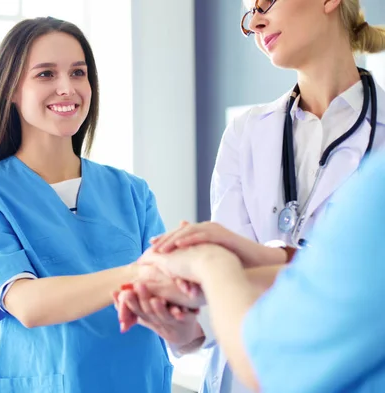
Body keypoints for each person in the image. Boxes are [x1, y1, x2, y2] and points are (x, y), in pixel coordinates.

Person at [116, 1, 385, 392]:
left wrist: (209, 264)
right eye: (248, 13)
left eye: (265, 3)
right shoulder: (245, 134)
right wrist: (182, 326)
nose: (255, 22)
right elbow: (224, 286)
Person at [0, 16, 176, 393]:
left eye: (78, 73)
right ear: (12, 90)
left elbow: (168, 295)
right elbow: (29, 305)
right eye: (45, 75)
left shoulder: (132, 191)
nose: (67, 88)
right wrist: (140, 273)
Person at [127, 151, 385, 393]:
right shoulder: (247, 129)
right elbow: (339, 276)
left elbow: (267, 359)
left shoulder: (376, 187)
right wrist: (268, 257)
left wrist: (211, 262)